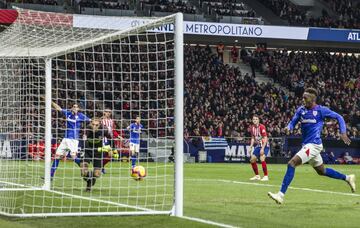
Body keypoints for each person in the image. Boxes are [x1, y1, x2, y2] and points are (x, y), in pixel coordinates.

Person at [268, 87, 355, 204]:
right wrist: (289, 127)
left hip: (314, 145)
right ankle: (348, 178)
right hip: (307, 145)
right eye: (303, 97)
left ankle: (280, 195)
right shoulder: (301, 110)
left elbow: (339, 117)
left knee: (292, 163)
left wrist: (343, 132)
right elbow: (293, 121)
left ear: (312, 99)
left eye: (305, 97)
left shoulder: (321, 110)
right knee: (321, 171)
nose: (303, 99)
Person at [50, 101, 91, 179]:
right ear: (72, 108)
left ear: (78, 109)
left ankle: (83, 167)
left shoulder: (81, 116)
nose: (75, 108)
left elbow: (90, 121)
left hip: (73, 139)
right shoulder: (68, 113)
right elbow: (58, 108)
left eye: (76, 107)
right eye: (74, 107)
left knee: (73, 156)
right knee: (57, 156)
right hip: (65, 139)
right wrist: (51, 102)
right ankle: (50, 176)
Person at [80, 118, 113, 192]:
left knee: (97, 174)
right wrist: (89, 148)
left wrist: (110, 148)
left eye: (96, 125)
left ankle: (90, 180)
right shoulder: (86, 129)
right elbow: (84, 141)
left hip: (98, 152)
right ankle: (89, 178)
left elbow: (110, 138)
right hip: (87, 151)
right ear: (90, 123)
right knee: (83, 172)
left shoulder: (104, 130)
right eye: (93, 124)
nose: (94, 127)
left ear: (100, 125)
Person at [100, 108, 123, 173]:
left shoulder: (111, 121)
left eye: (109, 112)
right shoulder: (101, 120)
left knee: (111, 155)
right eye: (107, 112)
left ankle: (101, 166)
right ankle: (100, 167)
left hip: (111, 139)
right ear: (104, 112)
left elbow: (113, 130)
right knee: (108, 154)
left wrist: (118, 136)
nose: (108, 113)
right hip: (104, 139)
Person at [249, 115, 270, 181]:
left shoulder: (262, 127)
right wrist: (251, 146)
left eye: (256, 119)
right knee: (252, 159)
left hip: (265, 145)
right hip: (258, 145)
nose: (255, 120)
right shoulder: (252, 127)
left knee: (262, 158)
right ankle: (257, 176)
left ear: (258, 120)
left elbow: (265, 138)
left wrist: (262, 148)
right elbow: (253, 138)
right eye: (253, 119)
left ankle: (266, 176)